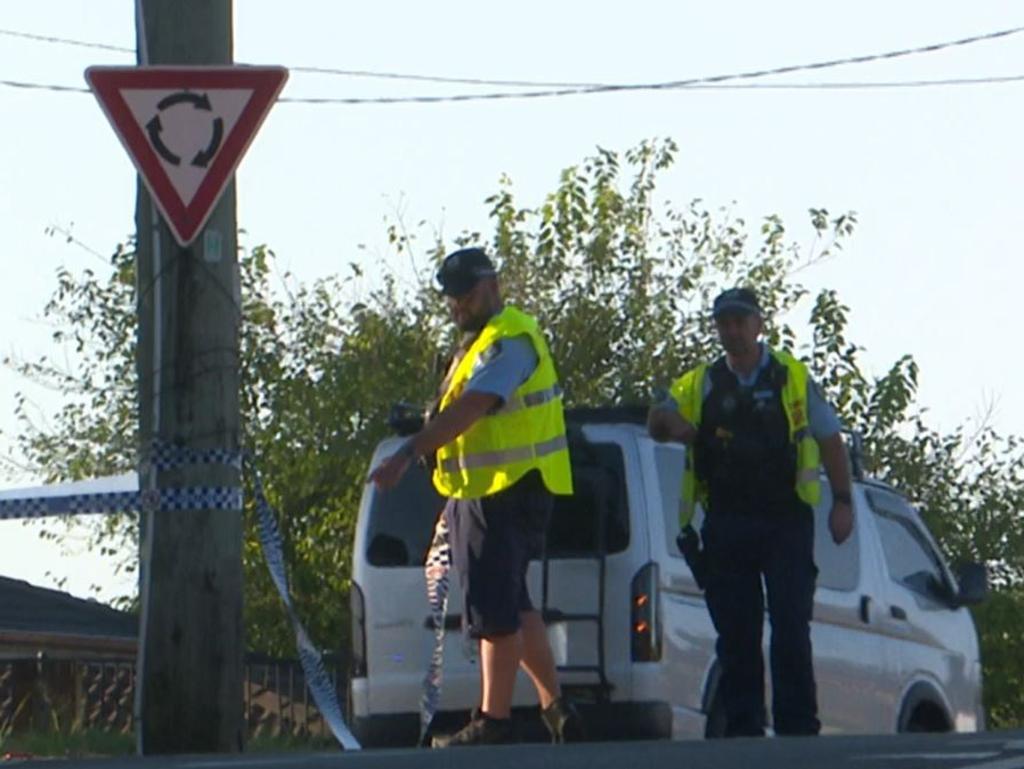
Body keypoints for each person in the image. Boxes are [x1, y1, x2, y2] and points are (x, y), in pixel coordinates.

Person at [370, 246, 585, 747]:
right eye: (453, 298)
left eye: (467, 294)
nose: (459, 305)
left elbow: (476, 406)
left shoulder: (509, 338)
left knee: (494, 609)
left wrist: (409, 451)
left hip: (504, 491)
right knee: (513, 601)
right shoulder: (477, 345)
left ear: (493, 285)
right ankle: (557, 708)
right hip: (491, 490)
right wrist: (423, 424)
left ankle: (494, 720)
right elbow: (462, 412)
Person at [647, 286, 854, 738]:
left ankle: (798, 730)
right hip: (727, 520)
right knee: (737, 633)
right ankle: (745, 734)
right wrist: (673, 425)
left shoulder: (790, 377)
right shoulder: (701, 382)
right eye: (724, 323)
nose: (732, 331)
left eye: (740, 321)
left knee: (790, 626)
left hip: (785, 518)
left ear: (759, 324)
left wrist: (843, 502)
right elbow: (657, 420)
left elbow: (829, 438)